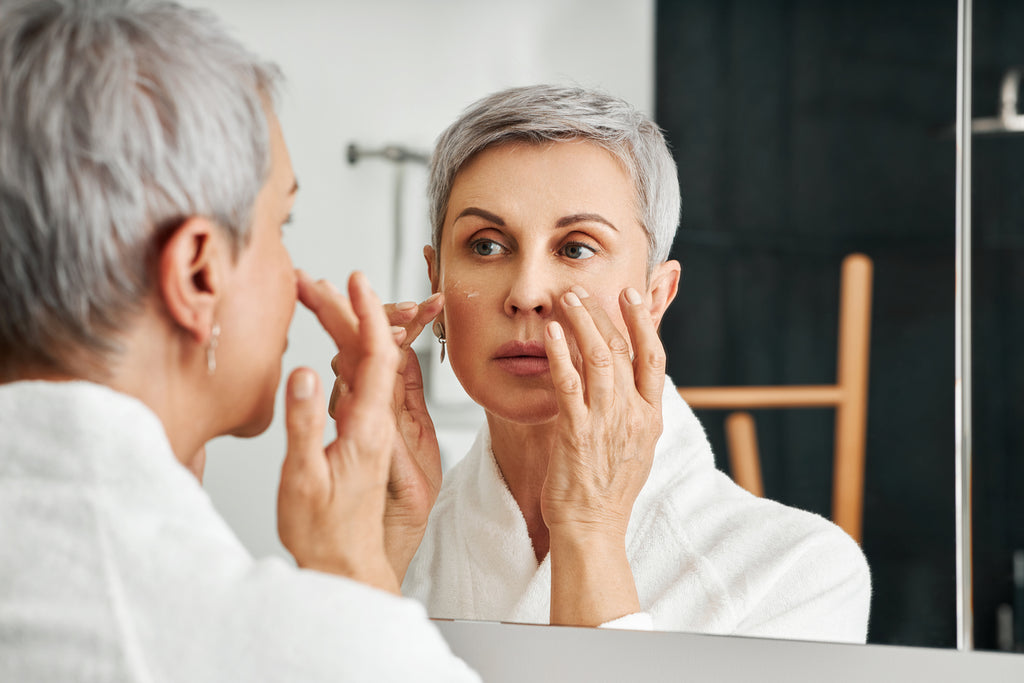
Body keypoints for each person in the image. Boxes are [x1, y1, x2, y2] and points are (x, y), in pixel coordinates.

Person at [0, 1, 478, 680]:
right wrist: (353, 582)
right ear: (198, 272)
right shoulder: (270, 641)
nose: (299, 277)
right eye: (282, 224)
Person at [331, 84, 872, 642]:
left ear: (656, 297)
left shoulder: (797, 574)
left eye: (576, 248)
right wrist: (383, 533)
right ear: (435, 281)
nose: (527, 292)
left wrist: (589, 527)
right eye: (487, 245)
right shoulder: (390, 538)